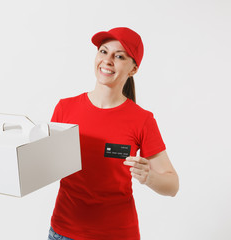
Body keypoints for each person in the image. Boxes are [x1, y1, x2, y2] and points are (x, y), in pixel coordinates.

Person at [47, 27, 179, 240]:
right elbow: (48, 164)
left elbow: (172, 185)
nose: (107, 60)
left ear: (133, 69)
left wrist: (149, 177)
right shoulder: (65, 108)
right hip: (64, 232)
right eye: (103, 51)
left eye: (119, 56)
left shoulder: (142, 120)